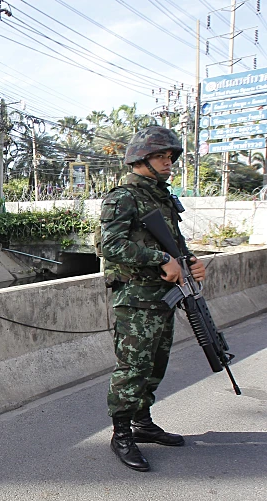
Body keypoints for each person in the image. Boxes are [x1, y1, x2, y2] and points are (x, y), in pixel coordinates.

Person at [100, 125, 206, 472]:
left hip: (163, 298)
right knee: (133, 368)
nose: (169, 162)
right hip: (135, 298)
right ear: (141, 158)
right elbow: (109, 245)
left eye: (171, 156)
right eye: (161, 156)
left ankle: (142, 423)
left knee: (156, 364)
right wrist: (162, 261)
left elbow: (173, 244)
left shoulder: (161, 197)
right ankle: (121, 433)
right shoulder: (124, 195)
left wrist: (189, 263)